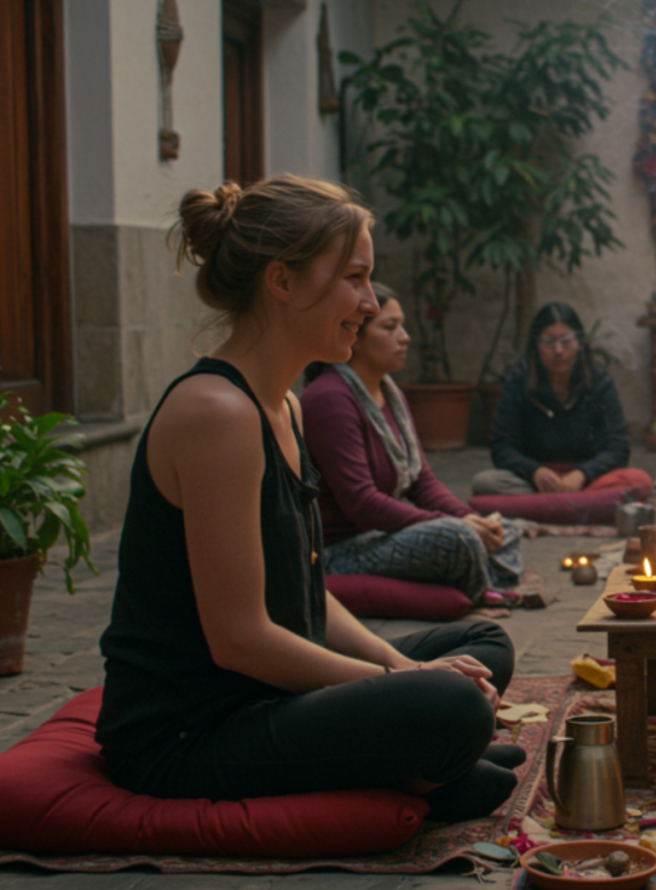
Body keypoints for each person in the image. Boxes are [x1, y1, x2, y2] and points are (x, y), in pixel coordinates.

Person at [96, 176, 522, 822]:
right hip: (193, 731)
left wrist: (394, 666)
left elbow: (306, 591)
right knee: (455, 705)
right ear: (283, 282)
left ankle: (416, 764)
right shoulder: (216, 412)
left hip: (268, 691)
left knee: (485, 644)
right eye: (355, 278)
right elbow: (239, 642)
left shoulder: (284, 408)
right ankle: (420, 768)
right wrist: (400, 686)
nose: (369, 301)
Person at [302, 284, 522, 600]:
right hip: (342, 551)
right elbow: (363, 504)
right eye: (390, 328)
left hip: (381, 537)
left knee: (502, 531)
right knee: (457, 540)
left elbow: (422, 483)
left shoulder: (391, 393)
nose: (404, 337)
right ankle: (479, 582)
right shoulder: (329, 399)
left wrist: (470, 518)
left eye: (401, 326)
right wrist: (457, 526)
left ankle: (474, 577)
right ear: (355, 336)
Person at [471, 303, 650, 499]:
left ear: (579, 343)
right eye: (549, 342)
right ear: (536, 345)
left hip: (588, 480)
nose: (558, 350)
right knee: (485, 483)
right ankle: (579, 506)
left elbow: (618, 448)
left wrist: (582, 473)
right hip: (535, 481)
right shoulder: (518, 382)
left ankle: (546, 506)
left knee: (639, 481)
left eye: (566, 341)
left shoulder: (599, 382)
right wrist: (535, 471)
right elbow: (502, 447)